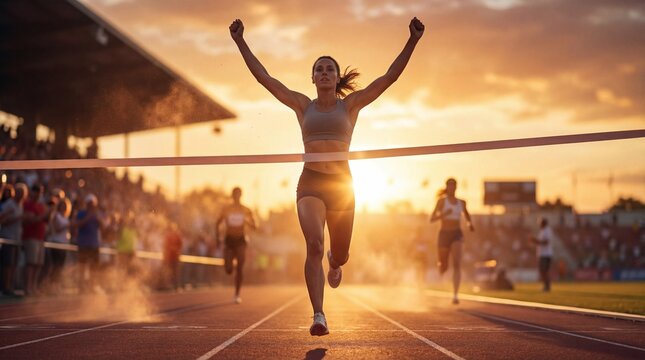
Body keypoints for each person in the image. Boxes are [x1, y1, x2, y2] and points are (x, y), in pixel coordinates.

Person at [230, 16, 424, 335]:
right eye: (319, 69)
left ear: (336, 78)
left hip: (342, 188)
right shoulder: (302, 106)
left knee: (340, 255)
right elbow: (265, 78)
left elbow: (388, 78)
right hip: (311, 184)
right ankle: (318, 314)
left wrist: (413, 40)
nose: (324, 73)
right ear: (312, 78)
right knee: (315, 245)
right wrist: (240, 41)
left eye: (329, 69)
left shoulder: (350, 107)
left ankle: (336, 262)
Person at [430, 178, 475, 305]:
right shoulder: (441, 202)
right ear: (447, 187)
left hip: (456, 233)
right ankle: (443, 266)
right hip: (444, 234)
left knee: (457, 263)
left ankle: (455, 295)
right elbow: (432, 218)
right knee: (443, 265)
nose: (452, 188)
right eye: (449, 186)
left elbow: (467, 215)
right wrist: (444, 215)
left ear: (456, 187)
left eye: (454, 186)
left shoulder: (462, 202)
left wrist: (470, 224)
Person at [216, 187, 256, 304]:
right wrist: (218, 238)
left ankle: (237, 294)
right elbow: (217, 223)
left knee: (239, 267)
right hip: (229, 240)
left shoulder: (246, 210)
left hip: (240, 240)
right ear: (232, 196)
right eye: (234, 195)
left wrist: (248, 222)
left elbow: (255, 226)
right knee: (228, 269)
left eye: (238, 195)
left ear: (241, 195)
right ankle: (228, 262)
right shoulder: (226, 209)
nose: (236, 197)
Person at [22, 184, 50, 296]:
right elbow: (29, 220)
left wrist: (49, 214)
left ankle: (33, 287)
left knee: (38, 264)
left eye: (40, 192)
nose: (38, 194)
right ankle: (27, 288)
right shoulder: (28, 204)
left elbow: (45, 220)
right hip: (31, 237)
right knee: (31, 263)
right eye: (36, 191)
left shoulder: (41, 206)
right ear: (32, 192)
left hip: (40, 237)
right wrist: (43, 215)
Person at [73, 193, 105, 294]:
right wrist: (88, 217)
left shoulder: (97, 214)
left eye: (93, 203)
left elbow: (103, 227)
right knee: (82, 267)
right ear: (86, 204)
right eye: (89, 203)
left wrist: (99, 219)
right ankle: (81, 287)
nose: (91, 205)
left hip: (94, 245)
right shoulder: (81, 213)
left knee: (94, 268)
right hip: (83, 244)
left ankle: (92, 286)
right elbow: (76, 224)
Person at [0, 183, 26, 297]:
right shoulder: (8, 204)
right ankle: (6, 287)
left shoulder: (20, 205)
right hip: (8, 238)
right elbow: (2, 221)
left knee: (14, 264)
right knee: (8, 264)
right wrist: (16, 218)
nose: (20, 195)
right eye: (19, 192)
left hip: (17, 238)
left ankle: (10, 286)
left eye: (23, 194)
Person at [47, 197, 72, 294]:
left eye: (65, 206)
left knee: (60, 266)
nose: (63, 207)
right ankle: (52, 286)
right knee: (56, 265)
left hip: (64, 244)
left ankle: (57, 285)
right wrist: (67, 226)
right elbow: (56, 228)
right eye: (62, 205)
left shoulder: (66, 217)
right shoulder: (56, 215)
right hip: (56, 242)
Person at [530, 217, 554, 292]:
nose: (539, 224)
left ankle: (547, 286)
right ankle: (546, 286)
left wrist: (535, 241)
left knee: (544, 270)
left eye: (540, 223)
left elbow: (546, 242)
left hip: (546, 254)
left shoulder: (547, 230)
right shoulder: (543, 231)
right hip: (542, 254)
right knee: (543, 271)